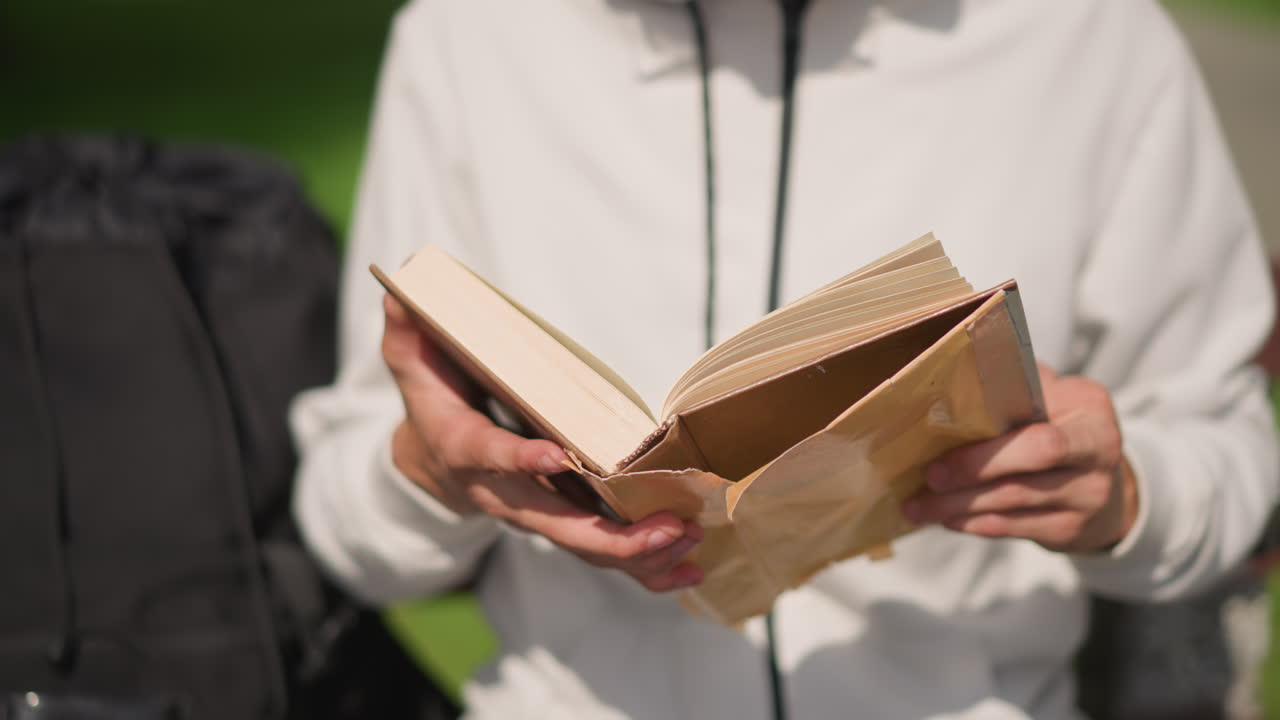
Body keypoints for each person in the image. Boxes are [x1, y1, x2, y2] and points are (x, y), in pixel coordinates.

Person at [290, 0, 1279, 717]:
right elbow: (344, 524)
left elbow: (1227, 445)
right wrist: (427, 473)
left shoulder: (1087, 39)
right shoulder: (471, 35)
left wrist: (1122, 497)